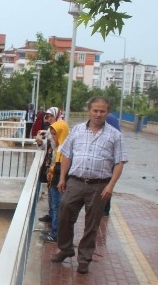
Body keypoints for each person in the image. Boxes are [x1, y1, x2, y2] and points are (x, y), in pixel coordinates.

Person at [51, 97, 128, 274]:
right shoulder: (77, 130)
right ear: (89, 111)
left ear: (107, 113)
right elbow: (66, 155)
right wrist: (62, 177)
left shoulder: (115, 135)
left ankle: (84, 258)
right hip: (75, 181)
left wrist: (111, 186)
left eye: (102, 111)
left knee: (92, 223)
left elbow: (119, 162)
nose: (98, 114)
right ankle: (65, 248)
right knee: (64, 212)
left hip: (99, 186)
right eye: (95, 110)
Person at [41, 119, 69, 242]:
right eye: (52, 133)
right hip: (54, 181)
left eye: (54, 134)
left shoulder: (66, 149)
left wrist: (52, 170)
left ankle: (55, 233)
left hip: (59, 183)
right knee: (54, 205)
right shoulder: (58, 147)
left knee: (57, 207)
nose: (52, 136)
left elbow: (63, 167)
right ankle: (53, 228)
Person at [103, 113, 121, 216]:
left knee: (106, 184)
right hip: (110, 159)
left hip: (110, 161)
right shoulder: (110, 117)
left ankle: (105, 209)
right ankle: (104, 208)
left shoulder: (109, 118)